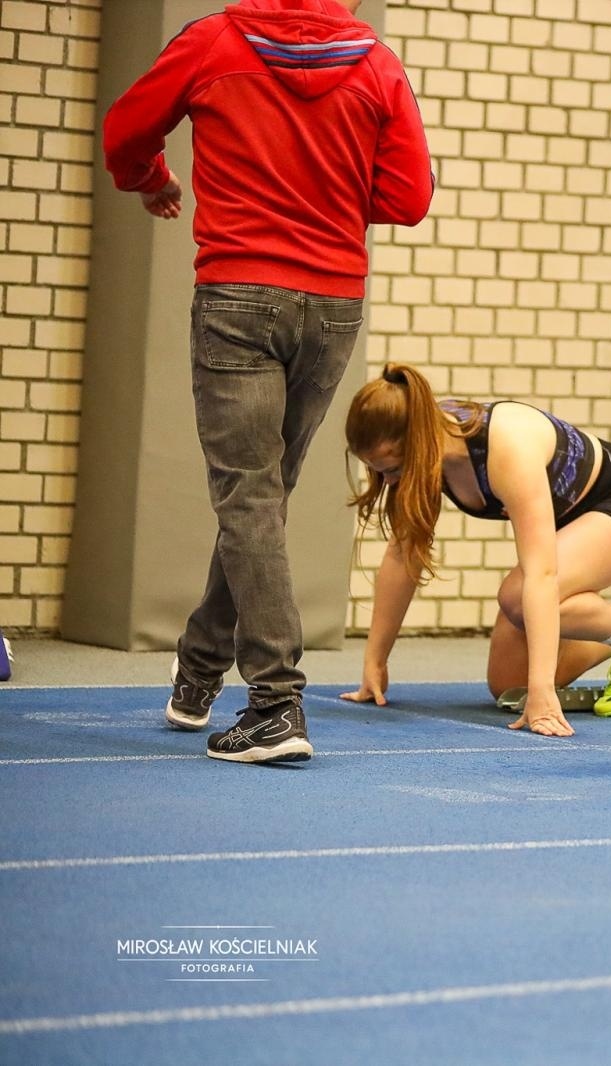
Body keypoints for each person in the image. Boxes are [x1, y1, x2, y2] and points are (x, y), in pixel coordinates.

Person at [102, 0, 434, 763]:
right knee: (261, 495)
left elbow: (126, 130)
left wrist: (149, 179)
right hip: (334, 305)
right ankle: (199, 668)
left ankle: (277, 705)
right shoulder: (376, 63)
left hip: (240, 293)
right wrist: (338, 200)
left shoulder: (213, 41)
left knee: (249, 497)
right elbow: (409, 199)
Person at [341, 364, 611, 736]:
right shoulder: (424, 442)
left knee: (518, 597)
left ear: (419, 443)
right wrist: (375, 661)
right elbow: (402, 555)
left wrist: (543, 692)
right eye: (376, 470)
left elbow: (541, 573)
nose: (389, 480)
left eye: (392, 468)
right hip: (568, 521)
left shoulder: (506, 448)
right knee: (508, 685)